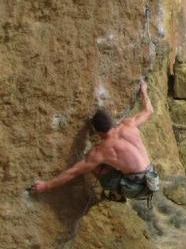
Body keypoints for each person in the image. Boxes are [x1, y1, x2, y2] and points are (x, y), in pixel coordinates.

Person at [30, 79, 159, 201]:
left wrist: (45, 186)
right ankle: (121, 179)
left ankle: (115, 193)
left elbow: (74, 172)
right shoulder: (128, 125)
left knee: (95, 166)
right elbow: (149, 110)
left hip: (137, 188)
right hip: (152, 178)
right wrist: (144, 90)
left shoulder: (102, 151)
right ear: (111, 122)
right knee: (112, 161)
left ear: (97, 132)